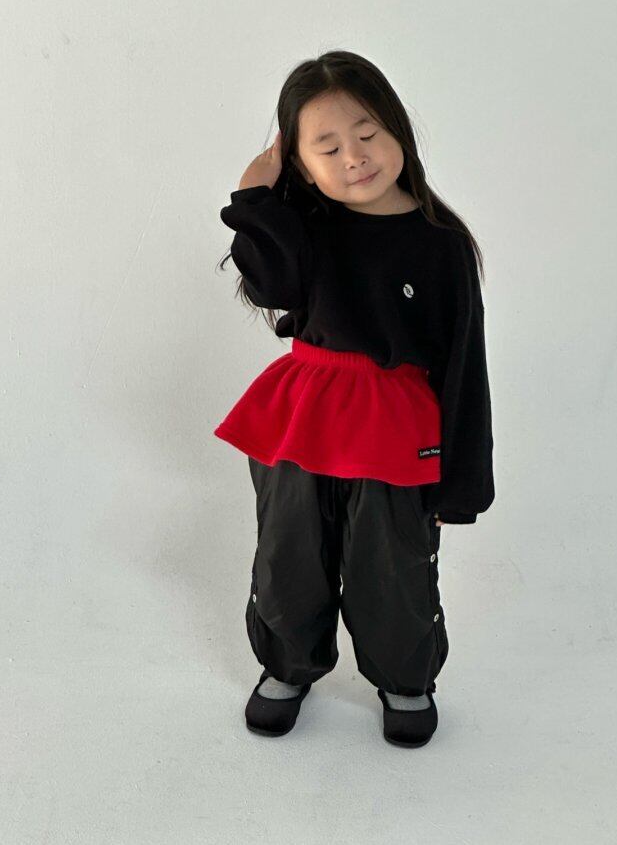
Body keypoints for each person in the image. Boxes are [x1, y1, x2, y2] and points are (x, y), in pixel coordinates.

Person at [213, 50, 495, 748]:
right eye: (328, 146)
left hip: (396, 425)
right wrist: (255, 203)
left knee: (391, 564)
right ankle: (287, 666)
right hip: (303, 411)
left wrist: (462, 481)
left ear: (398, 129)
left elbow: (464, 365)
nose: (354, 157)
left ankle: (405, 678)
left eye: (366, 134)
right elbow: (271, 284)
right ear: (301, 164)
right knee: (289, 552)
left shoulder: (441, 245)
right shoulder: (307, 228)